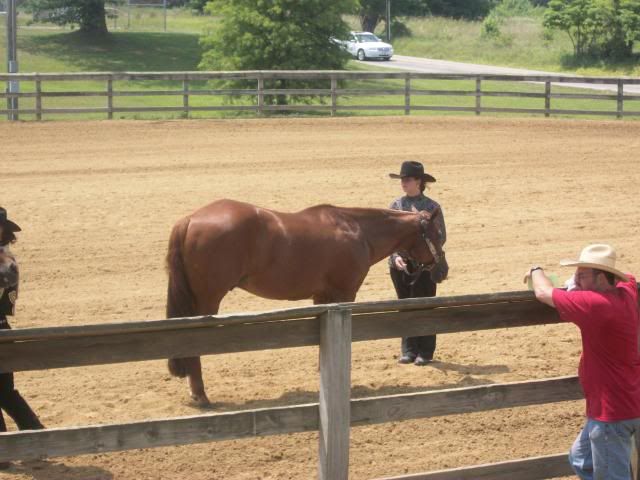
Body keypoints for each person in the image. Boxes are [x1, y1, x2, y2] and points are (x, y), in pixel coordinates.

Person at [524, 244, 640, 480]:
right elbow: (628, 277)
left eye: (581, 274)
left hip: (611, 412)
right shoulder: (626, 293)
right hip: (628, 401)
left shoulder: (595, 304)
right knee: (580, 458)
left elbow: (543, 293)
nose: (575, 278)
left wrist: (536, 270)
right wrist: (580, 284)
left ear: (600, 278)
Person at [388, 161, 447, 366]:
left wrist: (422, 255)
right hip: (401, 265)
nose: (403, 183)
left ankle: (426, 351)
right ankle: (408, 350)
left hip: (425, 265)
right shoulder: (395, 207)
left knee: (425, 306)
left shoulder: (432, 207)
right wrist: (395, 257)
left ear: (419, 182)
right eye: (402, 179)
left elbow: (440, 237)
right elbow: (388, 239)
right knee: (405, 306)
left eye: (407, 179)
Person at [0, 207, 45, 470]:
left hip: (0, 330)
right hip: (3, 331)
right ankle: (35, 434)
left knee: (5, 392)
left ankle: (7, 450)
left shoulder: (6, 261)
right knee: (5, 392)